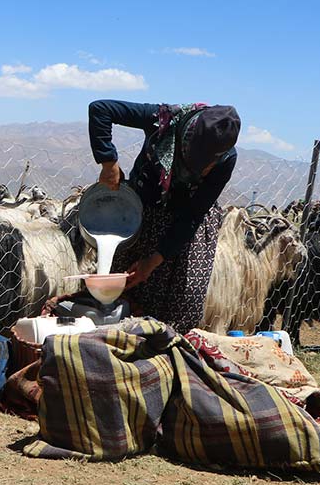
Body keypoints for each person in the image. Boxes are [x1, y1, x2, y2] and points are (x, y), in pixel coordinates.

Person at [86, 99, 241, 333]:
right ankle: (114, 344)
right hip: (143, 212)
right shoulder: (164, 120)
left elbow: (193, 214)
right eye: (196, 160)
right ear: (186, 140)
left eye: (209, 164)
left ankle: (163, 353)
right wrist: (108, 162)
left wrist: (154, 260)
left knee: (181, 298)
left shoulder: (225, 158)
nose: (203, 169)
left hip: (184, 226)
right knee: (126, 286)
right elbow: (100, 109)